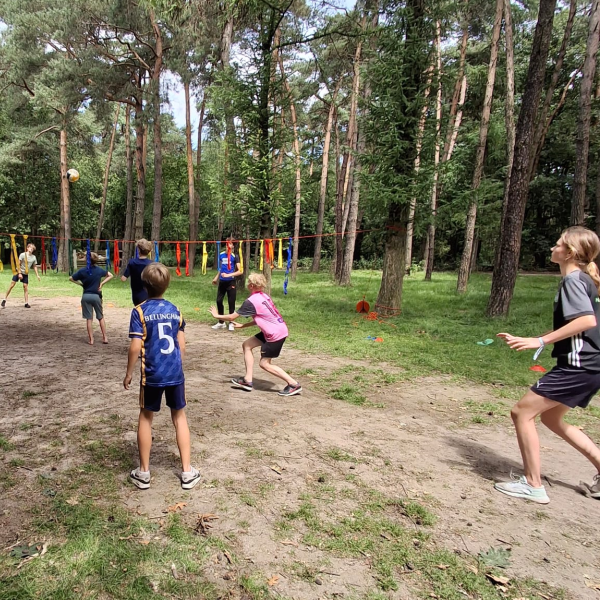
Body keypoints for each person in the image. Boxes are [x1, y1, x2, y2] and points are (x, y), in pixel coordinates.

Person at [496, 226, 600, 504]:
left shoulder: (574, 281)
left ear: (571, 252)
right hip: (588, 367)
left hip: (579, 367)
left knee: (521, 413)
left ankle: (533, 485)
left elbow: (587, 321)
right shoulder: (582, 280)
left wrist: (540, 340)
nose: (552, 248)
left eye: (557, 244)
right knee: (552, 418)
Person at [123, 262, 200, 490]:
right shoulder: (176, 310)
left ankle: (144, 473)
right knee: (179, 417)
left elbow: (135, 347)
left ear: (144, 286)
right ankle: (187, 472)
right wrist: (175, 364)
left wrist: (128, 372)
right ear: (166, 285)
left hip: (152, 374)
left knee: (146, 417)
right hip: (175, 373)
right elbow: (182, 345)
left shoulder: (139, 311)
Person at [209, 272, 302, 397]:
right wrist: (243, 326)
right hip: (276, 329)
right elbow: (263, 317)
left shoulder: (251, 301)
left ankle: (293, 384)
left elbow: (232, 316)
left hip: (275, 334)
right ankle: (248, 380)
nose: (247, 284)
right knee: (247, 345)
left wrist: (217, 316)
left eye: (248, 282)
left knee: (264, 364)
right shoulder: (264, 296)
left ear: (251, 285)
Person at [70, 252, 113, 345]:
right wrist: (102, 283)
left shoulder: (82, 271)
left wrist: (80, 284)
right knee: (100, 317)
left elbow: (71, 278)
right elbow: (110, 275)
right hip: (96, 296)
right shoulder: (99, 270)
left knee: (89, 319)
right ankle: (105, 337)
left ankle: (91, 340)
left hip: (86, 296)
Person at [212, 237, 243, 331]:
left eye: (231, 244)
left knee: (231, 302)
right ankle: (221, 322)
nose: (229, 245)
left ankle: (231, 323)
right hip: (222, 282)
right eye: (228, 243)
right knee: (218, 301)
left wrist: (229, 275)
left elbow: (240, 271)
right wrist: (216, 278)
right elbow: (221, 268)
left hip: (231, 282)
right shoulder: (221, 255)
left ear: (233, 246)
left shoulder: (235, 256)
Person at [1, 243, 41, 309]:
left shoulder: (33, 257)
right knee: (12, 285)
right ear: (27, 248)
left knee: (25, 287)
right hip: (18, 271)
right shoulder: (22, 255)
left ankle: (26, 303)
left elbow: (34, 266)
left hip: (25, 273)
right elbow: (18, 264)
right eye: (30, 247)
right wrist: (19, 273)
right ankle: (4, 299)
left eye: (32, 248)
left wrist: (37, 275)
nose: (31, 249)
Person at [121, 238, 154, 306]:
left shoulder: (132, 262)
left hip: (136, 295)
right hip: (149, 294)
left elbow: (123, 279)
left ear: (138, 250)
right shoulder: (151, 264)